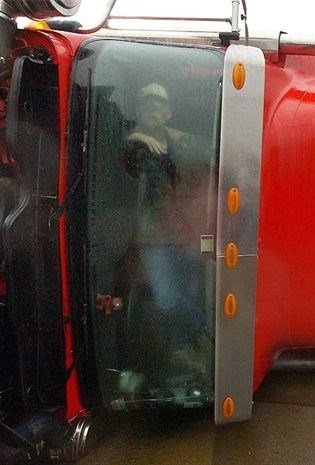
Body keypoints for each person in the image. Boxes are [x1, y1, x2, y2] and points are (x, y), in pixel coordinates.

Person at [122, 83, 211, 388]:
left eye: (159, 104)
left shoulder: (180, 142)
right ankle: (205, 330)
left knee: (186, 292)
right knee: (165, 298)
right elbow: (123, 156)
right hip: (154, 237)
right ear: (138, 111)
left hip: (184, 231)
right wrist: (135, 138)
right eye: (146, 104)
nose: (153, 108)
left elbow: (210, 149)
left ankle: (181, 356)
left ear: (169, 112)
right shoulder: (135, 145)